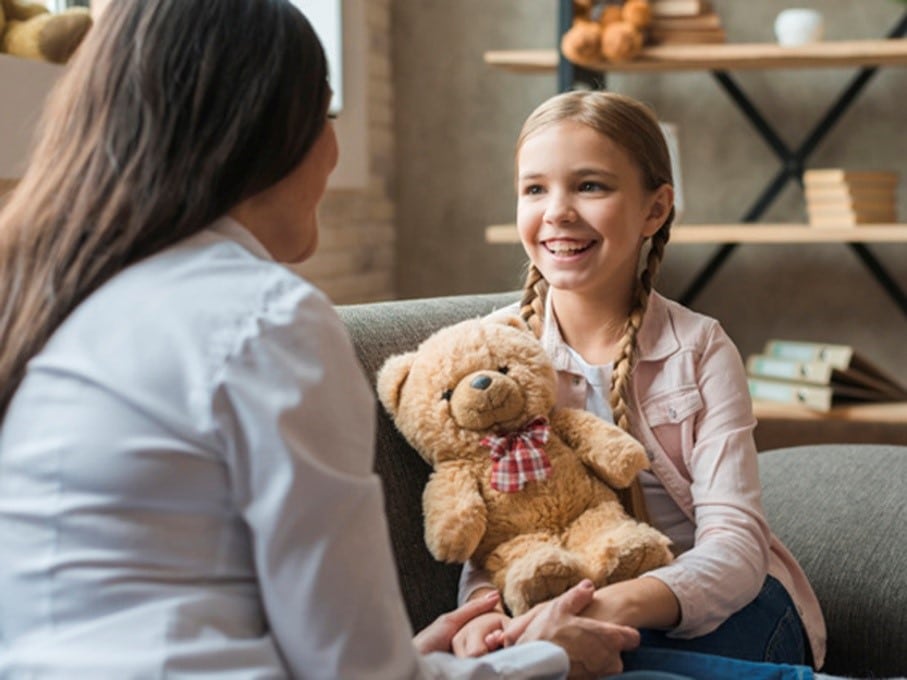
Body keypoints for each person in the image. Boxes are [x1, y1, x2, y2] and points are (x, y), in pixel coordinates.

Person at [0, 2, 667, 678]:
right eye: (327, 115)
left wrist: (408, 654)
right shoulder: (262, 320)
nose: (333, 147)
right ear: (265, 132)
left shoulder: (60, 301)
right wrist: (547, 658)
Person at [450, 90, 833, 679]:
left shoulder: (701, 348)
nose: (557, 211)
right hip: (560, 607)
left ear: (654, 211)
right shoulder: (489, 357)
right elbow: (487, 525)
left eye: (590, 186)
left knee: (600, 661)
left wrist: (601, 610)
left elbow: (735, 548)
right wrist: (479, 616)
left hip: (720, 604)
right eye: (535, 189)